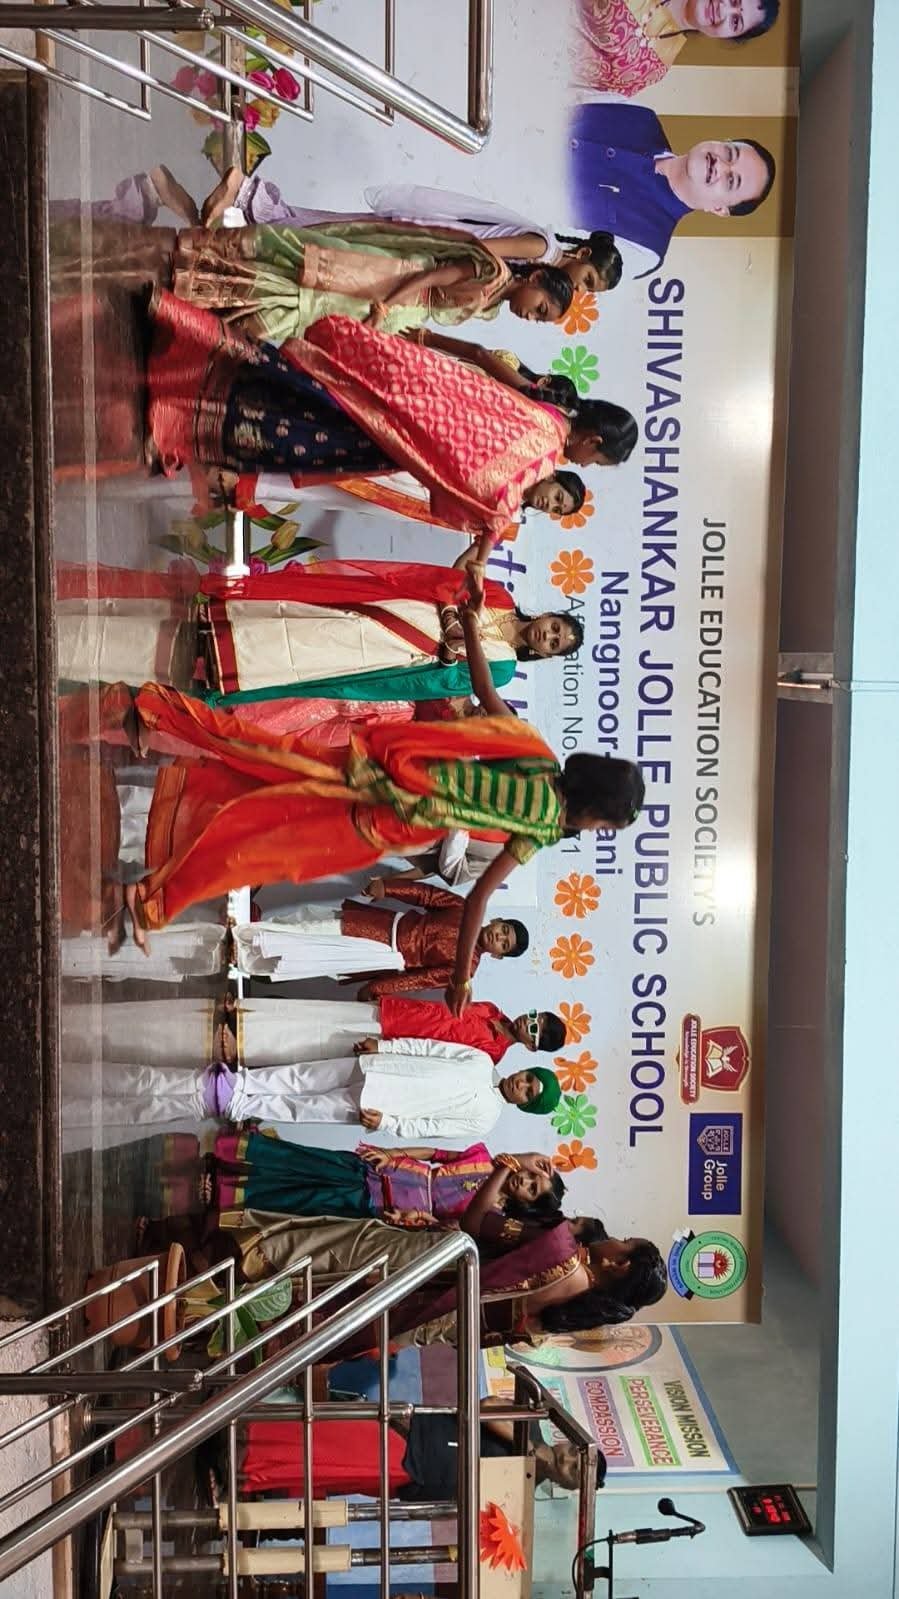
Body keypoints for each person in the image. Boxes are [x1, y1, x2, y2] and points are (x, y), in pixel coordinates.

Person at [106, 673, 643, 950]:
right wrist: (461, 977)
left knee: (263, 762)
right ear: (597, 807)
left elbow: (484, 690)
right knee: (263, 841)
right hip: (381, 813)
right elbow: (479, 895)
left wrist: (471, 620)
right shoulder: (541, 825)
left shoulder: (537, 755)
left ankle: (157, 709)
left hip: (384, 783)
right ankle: (155, 897)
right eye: (606, 825)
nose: (598, 830)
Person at [145, 295, 634, 543]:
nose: (585, 465)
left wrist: (420, 347)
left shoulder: (543, 408)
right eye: (596, 460)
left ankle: (177, 320)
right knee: (286, 430)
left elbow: (476, 368)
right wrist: (490, 531)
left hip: (411, 396)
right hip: (401, 437)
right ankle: (172, 421)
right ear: (593, 440)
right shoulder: (544, 449)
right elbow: (481, 486)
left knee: (292, 385)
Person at [197, 556, 585, 709]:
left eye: (554, 644)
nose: (547, 636)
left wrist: (453, 641)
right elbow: (447, 582)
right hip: (402, 608)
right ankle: (221, 620)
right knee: (309, 614)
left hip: (396, 654)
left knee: (313, 655)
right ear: (548, 615)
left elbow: (449, 679)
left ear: (545, 655)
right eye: (555, 627)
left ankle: (225, 667)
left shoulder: (503, 669)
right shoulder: (500, 596)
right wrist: (453, 617)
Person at [66, 1032, 562, 1135]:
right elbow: (428, 1048)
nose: (522, 1085)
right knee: (297, 1076)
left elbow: (433, 1127)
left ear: (525, 1105)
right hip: (378, 1069)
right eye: (529, 1079)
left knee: (298, 1108)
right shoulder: (480, 1059)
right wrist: (385, 1046)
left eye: (529, 1093)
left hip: (374, 1108)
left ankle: (237, 1105)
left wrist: (390, 1123)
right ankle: (238, 1085)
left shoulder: (484, 1120)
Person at [171, 220, 575, 342]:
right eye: (540, 308)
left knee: (302, 312)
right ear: (536, 276)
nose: (531, 316)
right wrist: (387, 304)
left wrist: (389, 320)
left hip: (398, 309)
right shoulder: (493, 272)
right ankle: (192, 259)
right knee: (303, 270)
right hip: (391, 278)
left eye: (539, 320)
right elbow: (435, 275)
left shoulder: (490, 309)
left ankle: (193, 299)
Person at [200, 1401, 600, 1503]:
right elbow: (485, 1406)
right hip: (411, 1438)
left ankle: (241, 1475)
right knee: (320, 1442)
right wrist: (526, 1448)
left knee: (324, 1472)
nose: (567, 1461)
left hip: (413, 1479)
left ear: (570, 1487)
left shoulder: (523, 1497)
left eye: (574, 1472)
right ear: (568, 1442)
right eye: (574, 1454)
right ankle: (231, 1442)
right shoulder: (530, 1421)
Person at [568, 104, 777, 274]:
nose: (719, 164)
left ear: (719, 209)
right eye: (729, 153)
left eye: (731, 181)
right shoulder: (642, 117)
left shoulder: (647, 249)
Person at [231, 877, 530, 991]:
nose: (499, 938)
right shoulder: (465, 910)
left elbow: (419, 980)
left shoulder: (466, 970)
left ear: (499, 956)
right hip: (382, 924)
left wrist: (378, 988)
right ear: (497, 921)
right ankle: (251, 935)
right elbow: (426, 894)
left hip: (383, 956)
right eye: (503, 930)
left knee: (311, 955)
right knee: (311, 921)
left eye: (504, 944)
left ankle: (247, 958)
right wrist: (388, 887)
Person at [210, 1137, 564, 1228]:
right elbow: (435, 1153)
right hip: (383, 1170)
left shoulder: (491, 1215)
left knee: (303, 1199)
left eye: (532, 1189)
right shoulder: (484, 1160)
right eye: (531, 1175)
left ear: (528, 1204)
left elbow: (445, 1226)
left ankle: (227, 1191)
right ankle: (231, 1154)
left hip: (381, 1205)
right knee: (305, 1159)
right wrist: (390, 1152)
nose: (525, 1180)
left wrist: (411, 1220)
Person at [572, 0, 780, 99]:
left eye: (735, 22)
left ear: (730, 37)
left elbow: (587, 96)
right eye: (733, 0)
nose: (724, 10)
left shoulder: (657, 66)